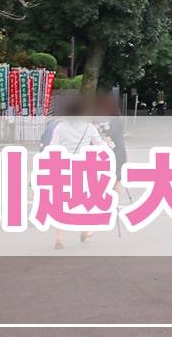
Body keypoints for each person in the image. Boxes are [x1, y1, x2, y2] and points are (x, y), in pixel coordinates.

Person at [47, 97, 104, 249]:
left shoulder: (60, 127)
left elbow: (53, 147)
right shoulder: (88, 127)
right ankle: (85, 230)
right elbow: (100, 146)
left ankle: (59, 236)